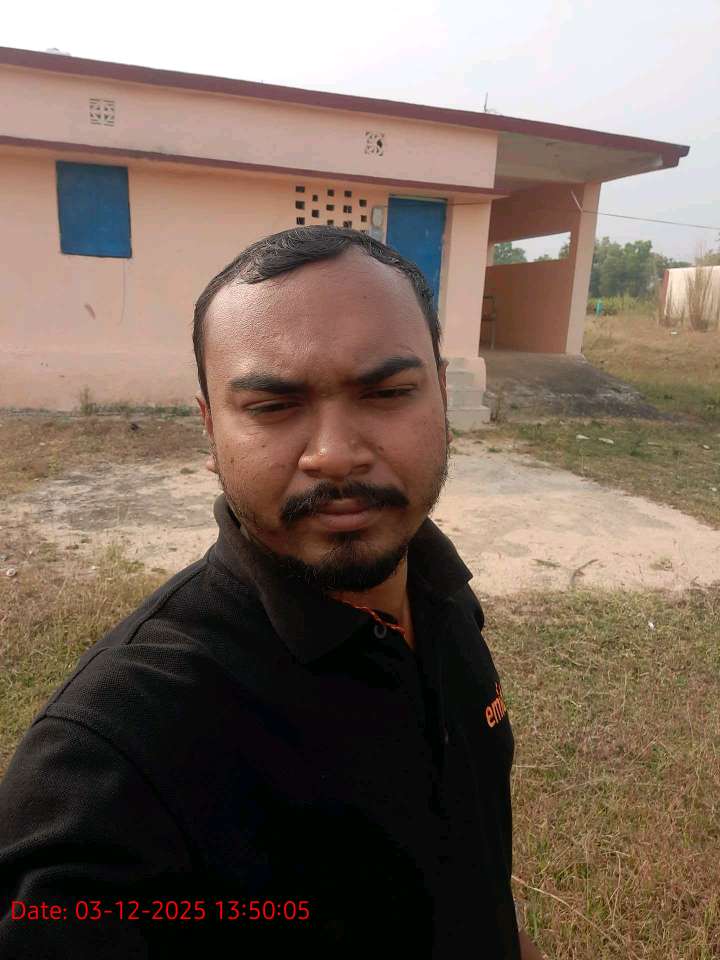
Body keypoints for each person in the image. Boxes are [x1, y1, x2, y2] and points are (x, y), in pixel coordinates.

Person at [0, 226, 543, 959]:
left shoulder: (441, 596)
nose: (335, 455)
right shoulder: (116, 752)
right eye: (272, 406)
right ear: (210, 428)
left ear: (442, 394)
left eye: (387, 393)